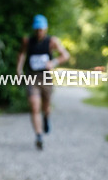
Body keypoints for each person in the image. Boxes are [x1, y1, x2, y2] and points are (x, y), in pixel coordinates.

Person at [15, 15, 70, 149]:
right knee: (34, 106)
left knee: (46, 107)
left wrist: (54, 62)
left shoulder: (52, 41)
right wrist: (19, 69)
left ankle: (46, 117)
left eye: (41, 29)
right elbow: (21, 54)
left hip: (46, 78)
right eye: (37, 29)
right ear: (34, 29)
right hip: (32, 77)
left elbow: (65, 55)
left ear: (45, 29)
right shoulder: (27, 41)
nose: (39, 32)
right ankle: (39, 135)